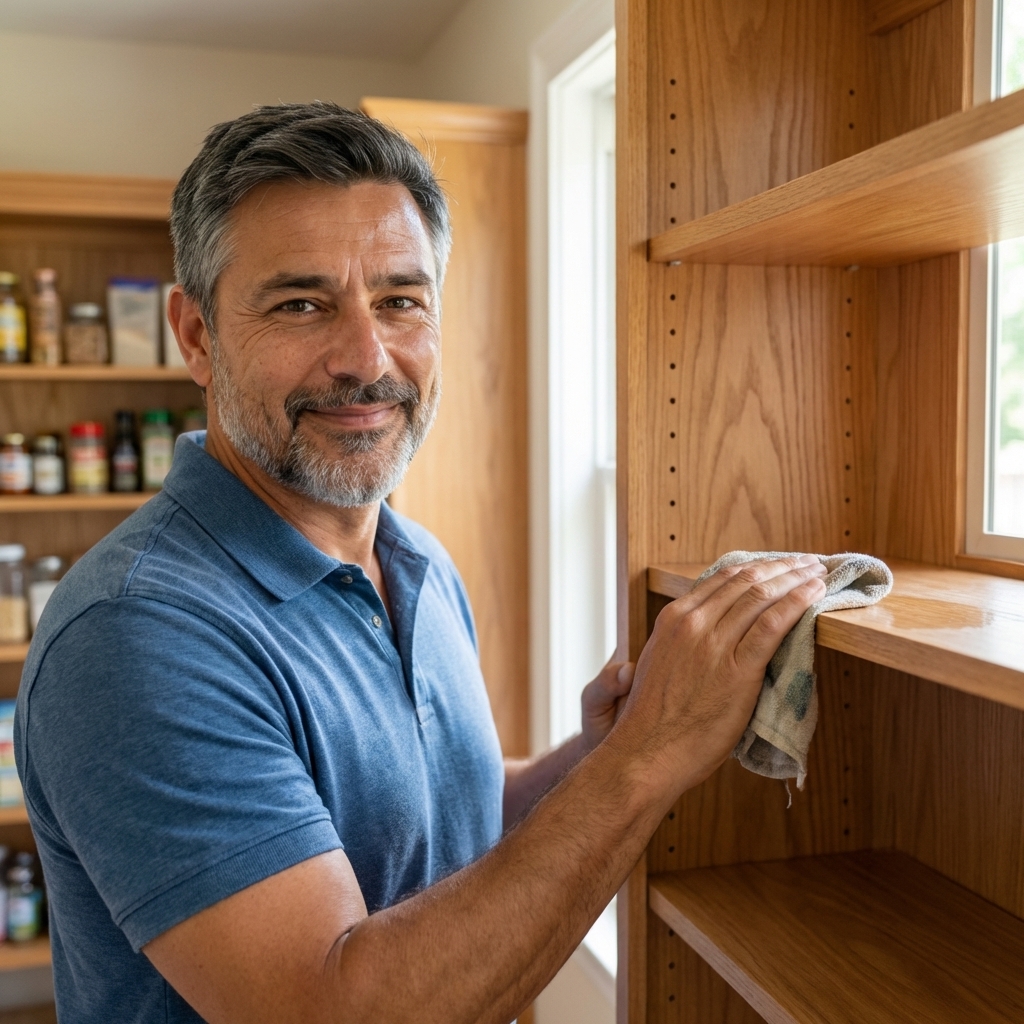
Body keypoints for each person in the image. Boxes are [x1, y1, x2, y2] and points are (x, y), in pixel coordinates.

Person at [14, 103, 827, 1024]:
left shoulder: (417, 560)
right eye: (300, 303)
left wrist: (590, 758)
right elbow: (330, 1008)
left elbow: (441, 831)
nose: (366, 358)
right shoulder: (138, 634)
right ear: (196, 336)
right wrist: (646, 759)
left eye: (401, 300)